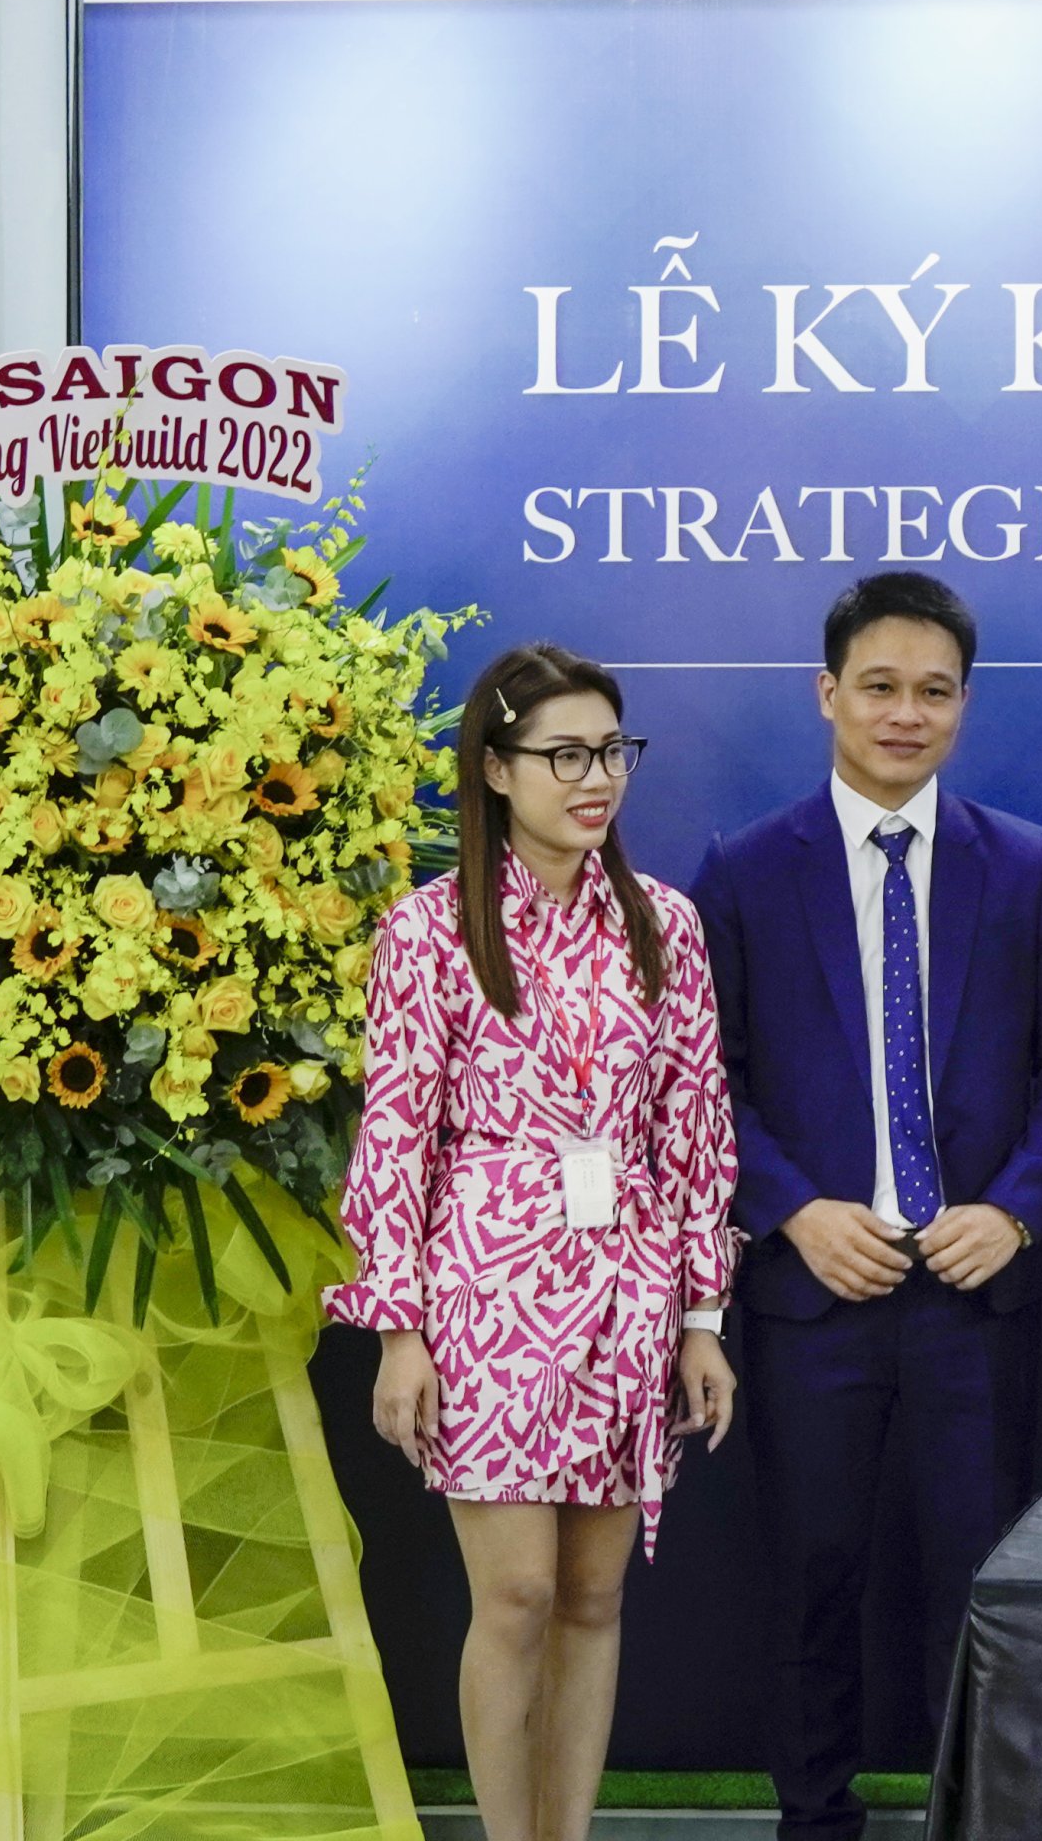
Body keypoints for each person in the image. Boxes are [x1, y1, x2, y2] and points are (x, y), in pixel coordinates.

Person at [683, 573, 1042, 1841]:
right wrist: (793, 1211)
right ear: (829, 694)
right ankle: (814, 1819)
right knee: (811, 1582)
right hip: (816, 1295)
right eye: (879, 686)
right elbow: (703, 1074)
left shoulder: (1021, 864)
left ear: (964, 705)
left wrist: (1014, 1212)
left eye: (933, 691)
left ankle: (975, 1817)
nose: (905, 714)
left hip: (976, 1295)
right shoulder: (746, 870)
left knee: (980, 1587)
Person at [332, 642, 738, 1841]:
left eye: (611, 751)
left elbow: (694, 1127)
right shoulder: (429, 930)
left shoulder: (664, 924)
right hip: (485, 1289)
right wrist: (398, 1330)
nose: (594, 777)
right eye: (564, 755)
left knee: (594, 1596)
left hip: (630, 1285)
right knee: (514, 1593)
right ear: (496, 768)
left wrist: (701, 1318)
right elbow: (394, 1137)